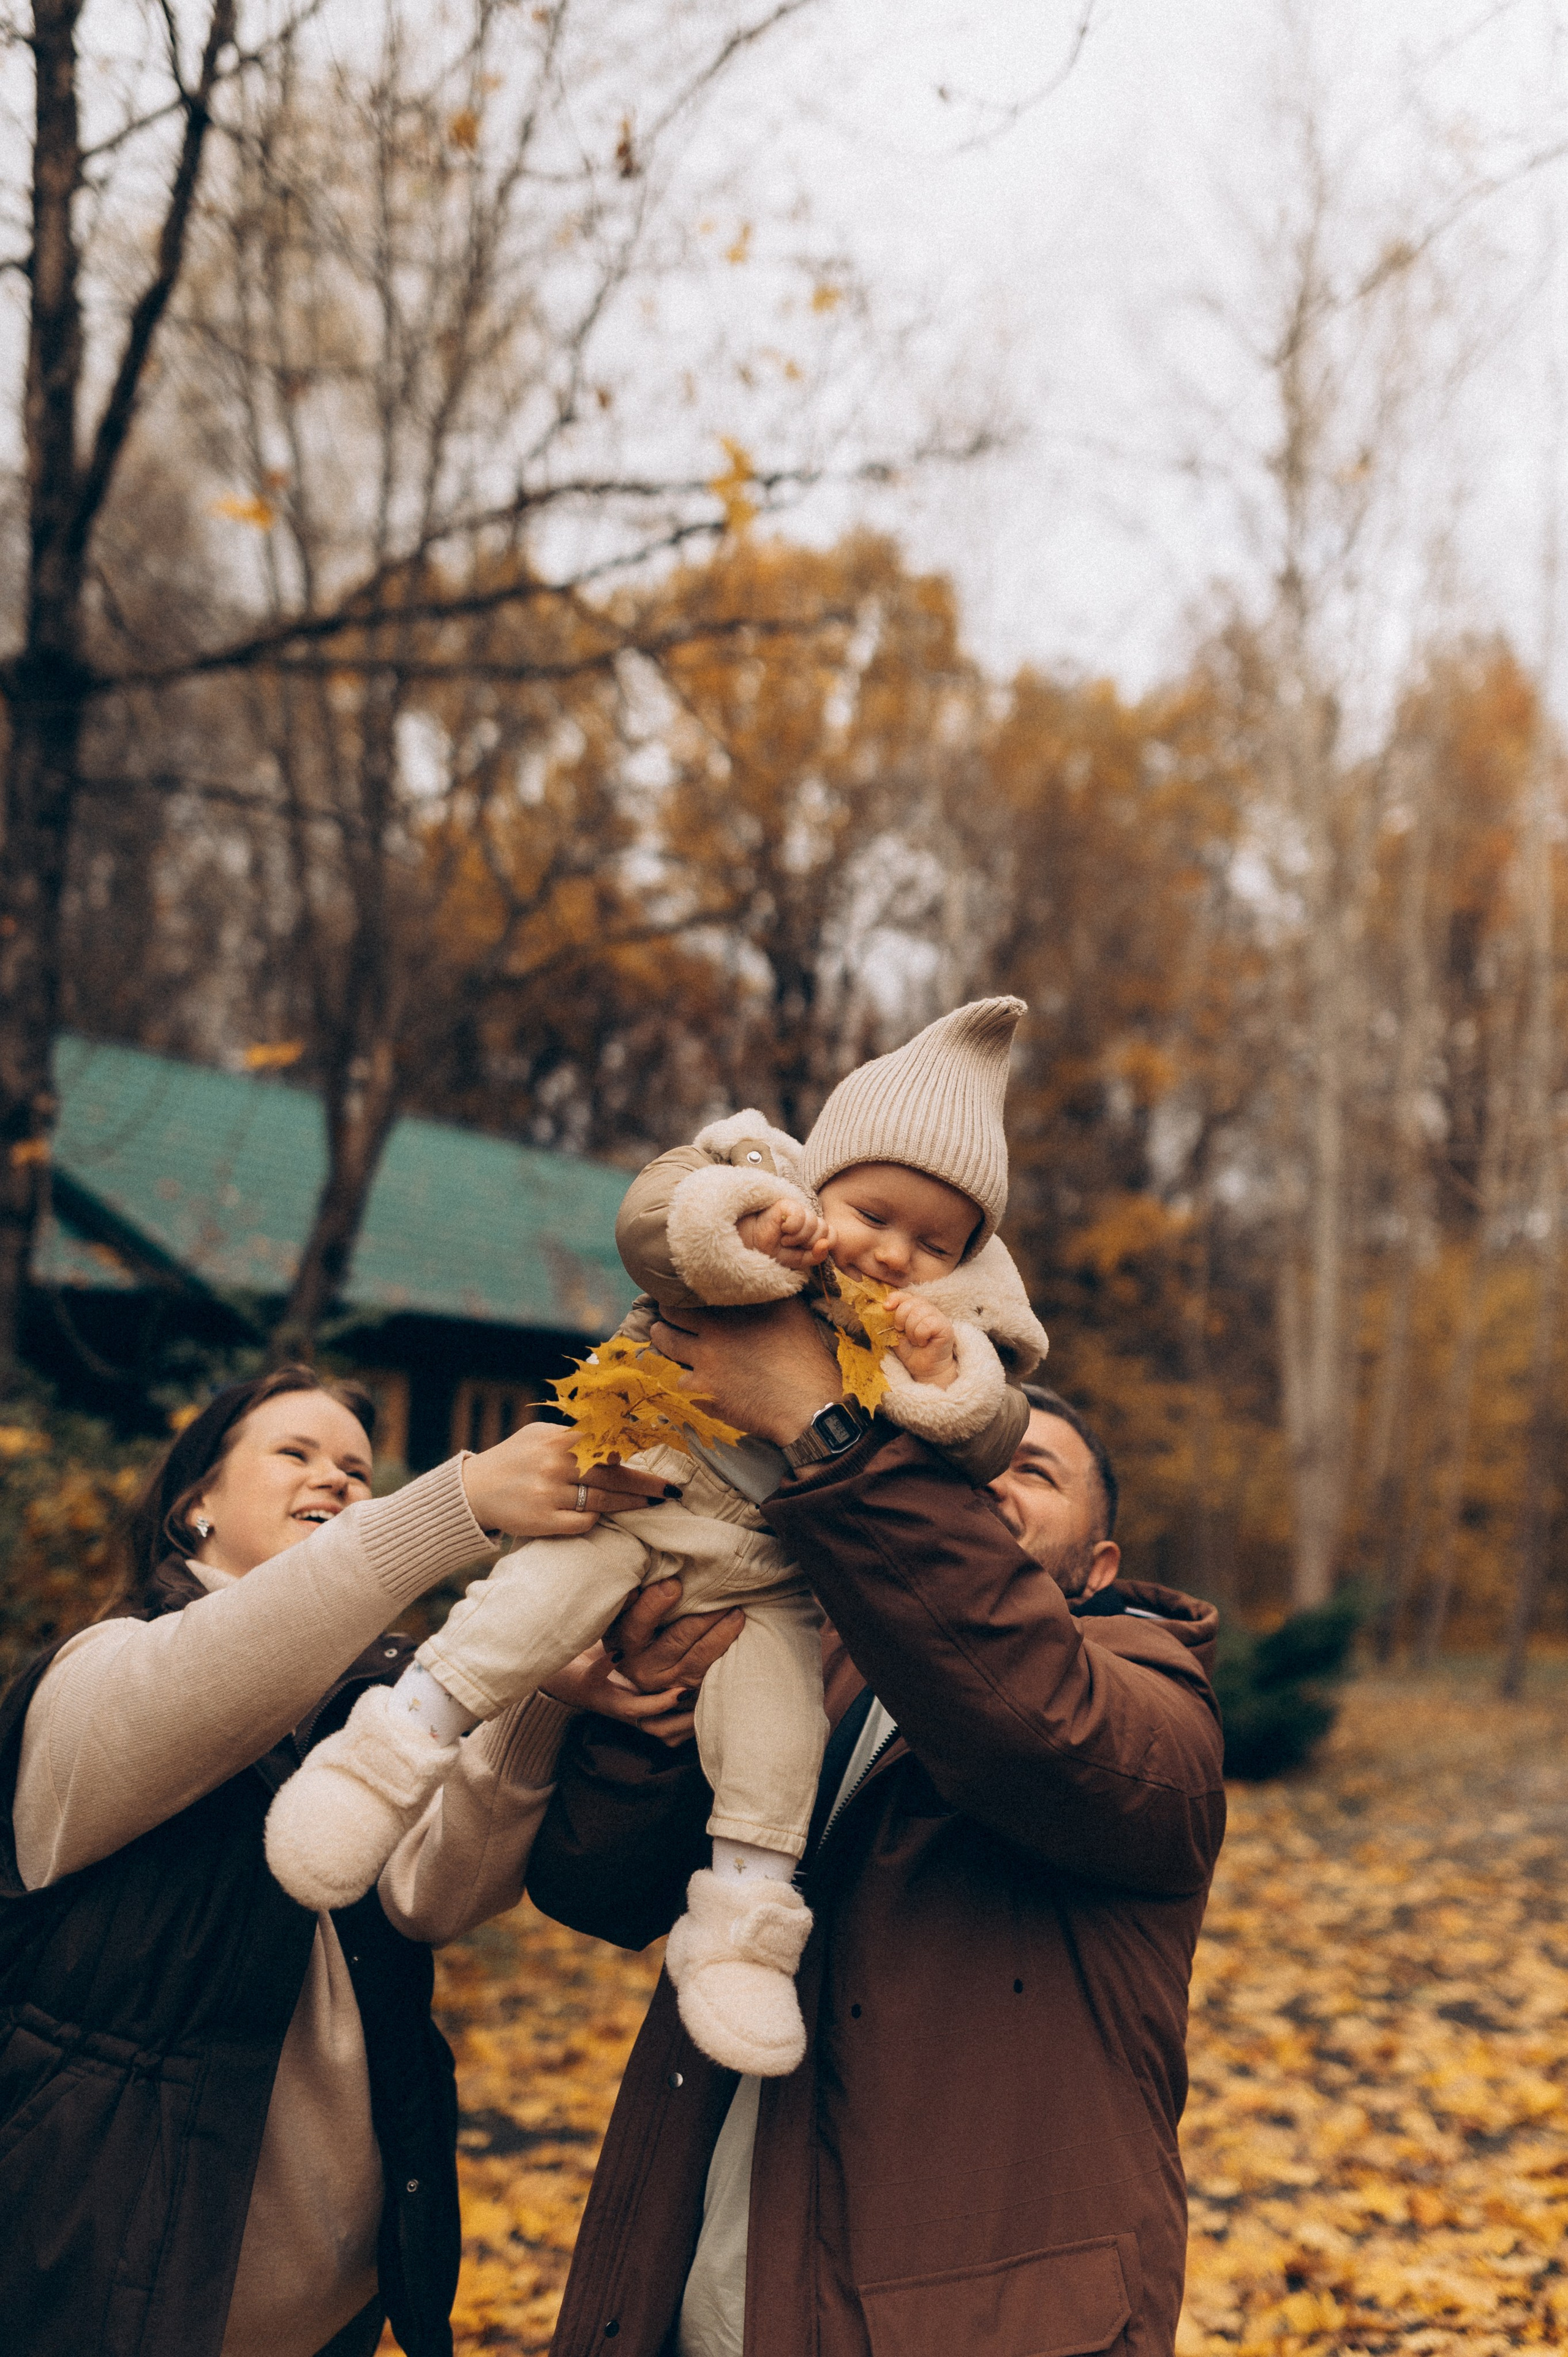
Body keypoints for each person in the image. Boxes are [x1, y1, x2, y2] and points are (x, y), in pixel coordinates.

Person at [265, 1001, 1046, 2081]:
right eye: (875, 1213)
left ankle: (742, 1935)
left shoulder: (961, 1327)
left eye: (937, 1244)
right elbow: (654, 1222)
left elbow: (993, 1431)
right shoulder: (754, 1184)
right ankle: (381, 1761)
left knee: (776, 1742)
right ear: (823, 1175)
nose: (898, 1254)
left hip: (772, 1582)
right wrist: (748, 1226)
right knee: (522, 1614)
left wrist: (949, 1371)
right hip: (641, 1496)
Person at [526, 1299, 1226, 2357]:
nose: (988, 1478)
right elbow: (598, 1889)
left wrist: (823, 1425)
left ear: (1100, 1565)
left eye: (1033, 1471)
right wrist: (649, 1719)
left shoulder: (1153, 1696)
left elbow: (1022, 1712)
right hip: (707, 2292)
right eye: (961, 1457)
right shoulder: (814, 1662)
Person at [0, 1363, 741, 2357]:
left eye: (357, 1467)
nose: (339, 1480)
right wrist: (450, 1507)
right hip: (103, 2299)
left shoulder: (375, 1714)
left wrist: (533, 1689)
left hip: (339, 2319)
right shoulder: (101, 1665)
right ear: (194, 1507)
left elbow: (437, 1895)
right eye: (294, 1454)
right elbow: (205, 1683)